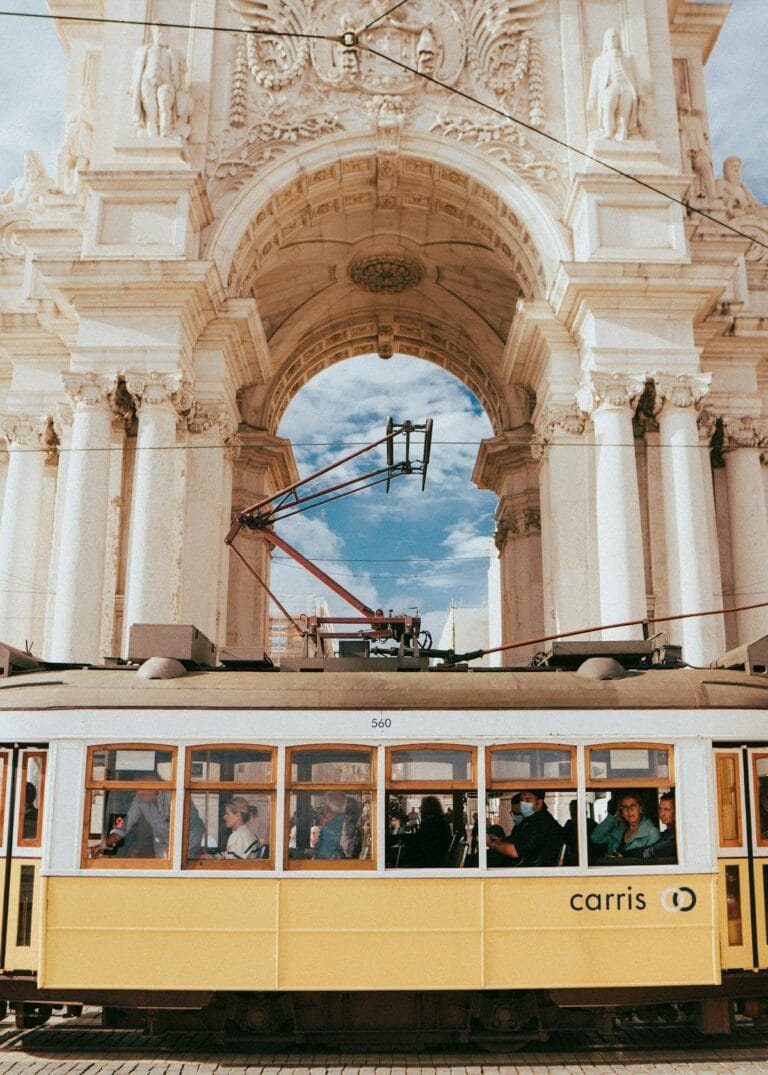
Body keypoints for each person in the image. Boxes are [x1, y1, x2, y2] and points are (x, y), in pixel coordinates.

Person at [94, 787, 204, 859]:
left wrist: (174, 848)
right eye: (138, 788)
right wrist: (108, 841)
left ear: (156, 786)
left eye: (146, 787)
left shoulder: (172, 795)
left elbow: (183, 823)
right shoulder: (140, 798)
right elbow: (128, 821)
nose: (140, 792)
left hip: (188, 838)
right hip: (162, 842)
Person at [486, 789, 564, 867]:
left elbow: (515, 851)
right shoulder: (530, 821)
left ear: (539, 803)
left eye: (527, 800)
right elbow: (516, 841)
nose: (523, 804)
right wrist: (500, 842)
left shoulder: (541, 823)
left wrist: (492, 844)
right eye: (521, 800)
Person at [587, 28, 639, 141]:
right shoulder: (600, 61)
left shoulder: (627, 59)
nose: (612, 39)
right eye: (609, 37)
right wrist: (591, 98)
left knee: (625, 111)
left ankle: (623, 133)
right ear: (605, 41)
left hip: (626, 87)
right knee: (608, 103)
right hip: (611, 86)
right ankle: (608, 131)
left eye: (615, 36)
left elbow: (634, 78)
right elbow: (594, 82)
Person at [131, 25, 184, 138]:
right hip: (147, 81)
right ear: (153, 33)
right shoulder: (145, 50)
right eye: (159, 31)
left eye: (164, 32)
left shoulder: (173, 53)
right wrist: (133, 86)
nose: (161, 34)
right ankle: (152, 136)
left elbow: (181, 71)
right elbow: (137, 69)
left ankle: (165, 133)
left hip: (166, 82)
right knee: (151, 110)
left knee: (164, 104)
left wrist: (181, 87)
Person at [591, 792, 660, 859]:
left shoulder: (652, 832)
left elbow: (652, 861)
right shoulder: (617, 830)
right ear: (621, 812)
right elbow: (595, 838)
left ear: (640, 809)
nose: (629, 810)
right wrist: (612, 817)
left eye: (633, 806)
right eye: (625, 807)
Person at [403, 795, 451, 867]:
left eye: (422, 807)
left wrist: (401, 837)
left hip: (430, 861)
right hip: (437, 858)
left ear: (428, 808)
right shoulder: (440, 820)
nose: (420, 809)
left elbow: (418, 838)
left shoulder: (432, 823)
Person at [641, 792, 677, 862]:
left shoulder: (675, 837)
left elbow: (652, 851)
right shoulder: (667, 833)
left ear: (676, 811)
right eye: (660, 809)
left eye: (667, 809)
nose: (661, 814)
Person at [313, 791, 348, 859]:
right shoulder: (344, 823)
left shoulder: (330, 830)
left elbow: (324, 855)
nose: (323, 812)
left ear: (331, 810)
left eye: (326, 807)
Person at [562, 798, 596, 866]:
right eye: (572, 811)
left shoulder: (591, 824)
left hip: (589, 858)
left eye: (574, 811)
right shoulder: (569, 824)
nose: (572, 814)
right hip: (572, 859)